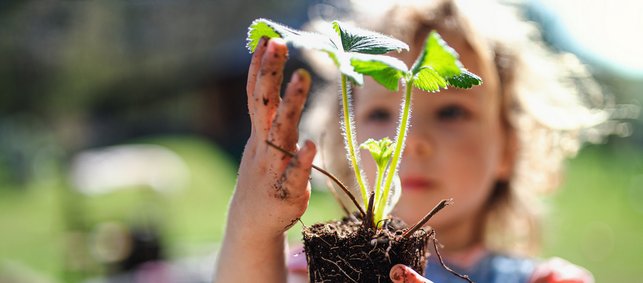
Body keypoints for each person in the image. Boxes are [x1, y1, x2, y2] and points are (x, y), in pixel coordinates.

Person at [214, 0, 608, 282]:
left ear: (510, 146)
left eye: (451, 112)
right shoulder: (305, 270)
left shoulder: (547, 279)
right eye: (381, 113)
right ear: (343, 137)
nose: (411, 141)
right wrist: (252, 230)